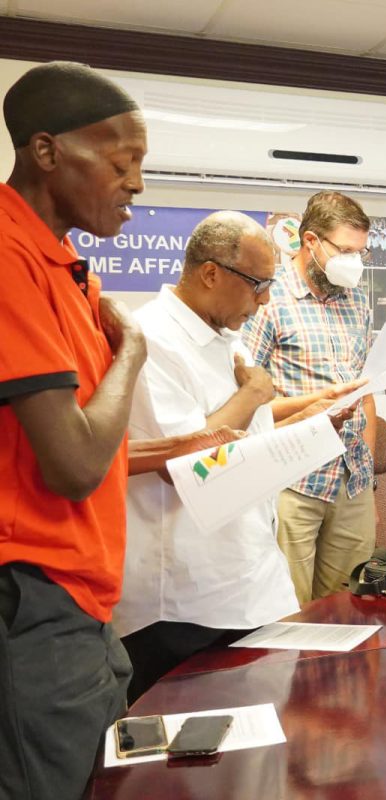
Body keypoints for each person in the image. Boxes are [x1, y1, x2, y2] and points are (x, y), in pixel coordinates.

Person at [117, 211, 358, 702]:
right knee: (183, 766)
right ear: (211, 274)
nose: (266, 298)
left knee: (253, 755)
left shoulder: (227, 334)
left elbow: (244, 442)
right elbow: (185, 464)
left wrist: (309, 424)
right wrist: (252, 395)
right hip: (183, 604)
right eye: (257, 284)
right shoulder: (153, 339)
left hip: (246, 584)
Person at [0, 61, 148, 800]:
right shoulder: (7, 254)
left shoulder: (65, 271)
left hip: (81, 601)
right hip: (33, 596)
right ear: (47, 151)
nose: (136, 185)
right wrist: (132, 357)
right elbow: (73, 463)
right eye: (122, 164)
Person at [243, 191, 377, 603]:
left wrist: (367, 475)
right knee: (290, 607)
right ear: (311, 242)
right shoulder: (268, 300)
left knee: (348, 607)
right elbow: (242, 399)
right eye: (346, 250)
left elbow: (366, 390)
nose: (354, 261)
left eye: (361, 252)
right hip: (292, 479)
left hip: (351, 477)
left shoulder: (356, 300)